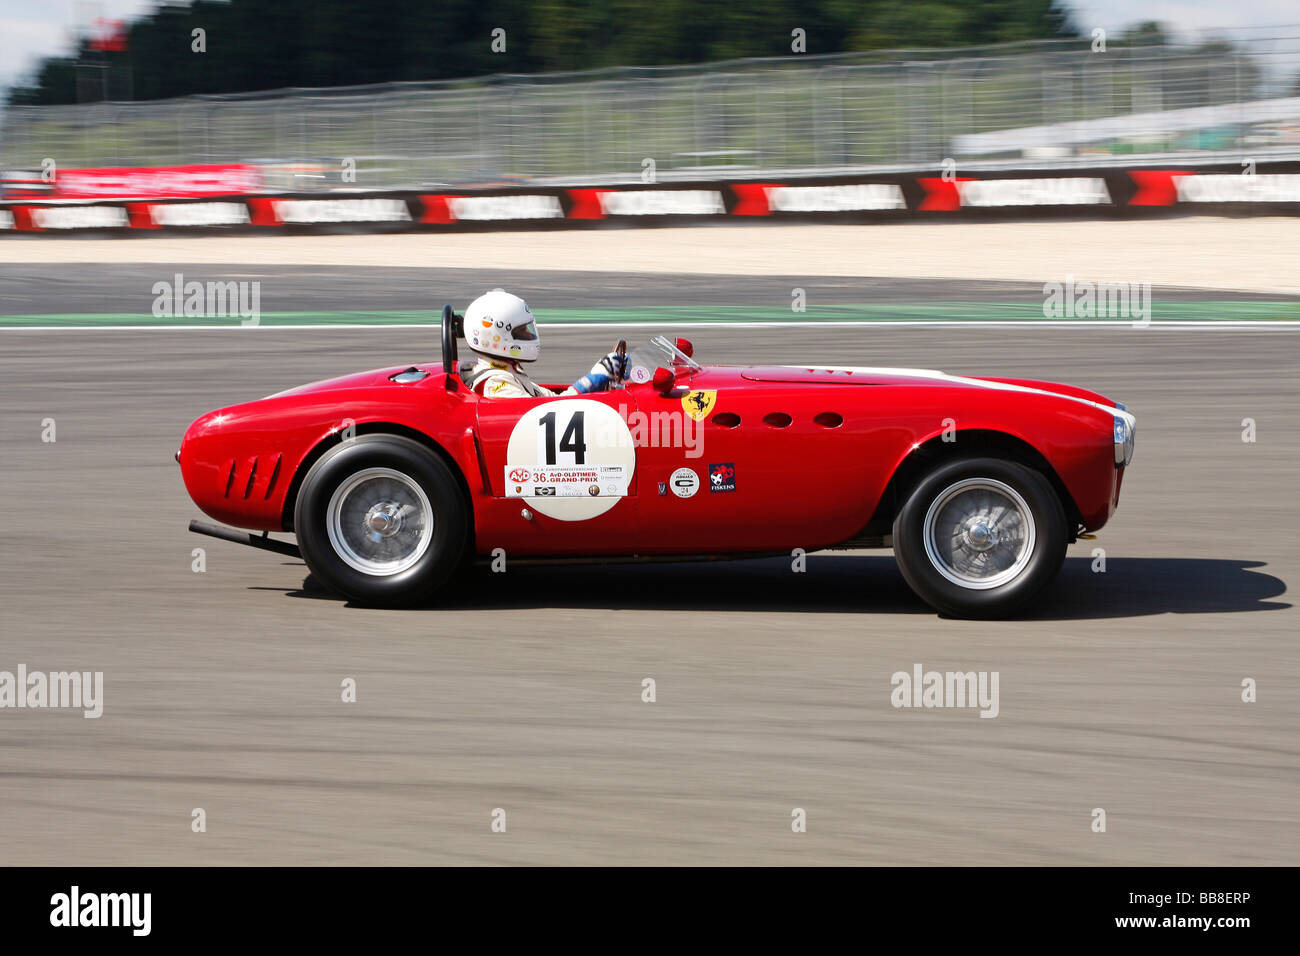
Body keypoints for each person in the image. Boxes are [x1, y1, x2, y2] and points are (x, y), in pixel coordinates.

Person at [461, 289, 625, 398]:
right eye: (521, 331)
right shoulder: (496, 383)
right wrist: (592, 380)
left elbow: (552, 400)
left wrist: (601, 375)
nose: (528, 334)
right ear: (495, 337)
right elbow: (542, 414)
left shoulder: (508, 372)